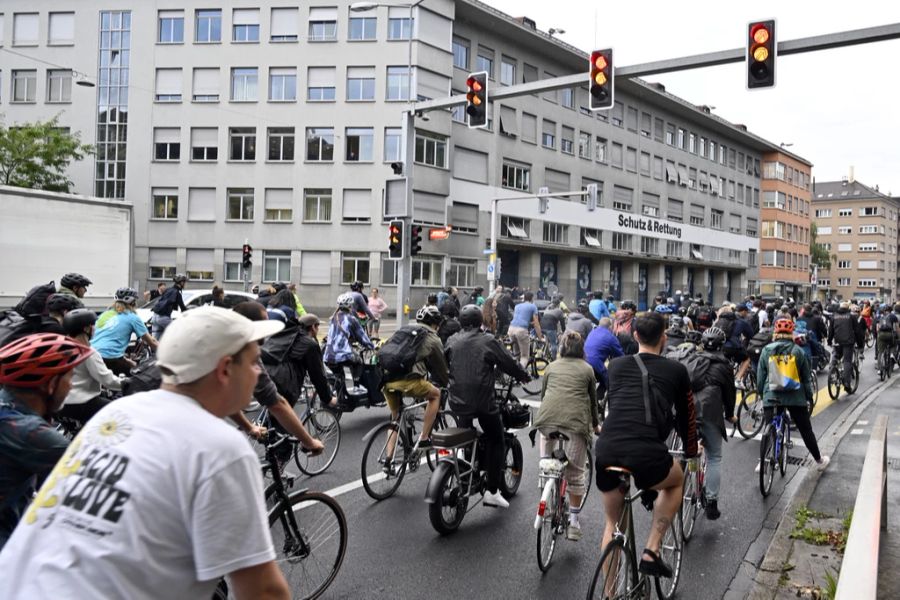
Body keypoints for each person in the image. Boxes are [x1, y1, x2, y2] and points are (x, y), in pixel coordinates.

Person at [0, 307, 292, 599]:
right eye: (254, 363)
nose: (258, 373)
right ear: (225, 369)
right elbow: (263, 591)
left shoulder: (116, 413)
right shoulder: (221, 447)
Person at [594, 312, 698, 579]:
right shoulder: (676, 370)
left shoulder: (615, 365)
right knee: (676, 481)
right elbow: (687, 416)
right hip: (647, 453)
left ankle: (609, 594)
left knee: (612, 523)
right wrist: (690, 453)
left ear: (635, 335)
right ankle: (652, 550)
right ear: (664, 337)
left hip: (608, 449)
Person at [0, 333, 93, 549]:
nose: (70, 386)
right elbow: (94, 480)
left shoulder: (7, 407)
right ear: (50, 384)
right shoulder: (32, 433)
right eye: (70, 377)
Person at [445, 306, 528, 509]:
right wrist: (523, 375)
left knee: (465, 433)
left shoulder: (451, 340)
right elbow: (507, 363)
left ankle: (466, 469)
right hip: (482, 401)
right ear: (479, 320)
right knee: (496, 438)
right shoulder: (488, 340)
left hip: (456, 400)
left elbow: (445, 363)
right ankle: (492, 490)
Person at [228, 302, 326, 455]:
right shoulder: (242, 351)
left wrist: (249, 427)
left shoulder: (240, 344)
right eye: (265, 324)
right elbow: (277, 404)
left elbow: (229, 401)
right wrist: (309, 441)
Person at [532, 331, 599, 540]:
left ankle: (547, 495)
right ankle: (574, 523)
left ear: (561, 348)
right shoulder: (587, 369)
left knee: (546, 464)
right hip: (575, 425)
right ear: (582, 349)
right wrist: (595, 426)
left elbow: (544, 396)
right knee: (575, 473)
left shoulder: (551, 366)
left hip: (546, 421)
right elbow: (592, 403)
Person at [757, 318, 829, 472]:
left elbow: (761, 377)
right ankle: (819, 460)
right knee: (805, 430)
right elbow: (806, 378)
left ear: (775, 332)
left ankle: (763, 461)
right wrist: (809, 396)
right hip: (795, 397)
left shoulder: (766, 350)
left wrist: (762, 395)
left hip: (772, 395)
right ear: (791, 332)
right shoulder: (798, 351)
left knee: (768, 428)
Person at [381, 305, 449, 451]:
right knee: (435, 394)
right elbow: (441, 367)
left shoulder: (405, 330)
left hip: (386, 381)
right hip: (408, 382)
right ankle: (424, 438)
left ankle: (388, 461)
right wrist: (448, 382)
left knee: (395, 419)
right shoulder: (433, 338)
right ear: (435, 324)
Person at [686, 327, 737, 520]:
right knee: (714, 457)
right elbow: (730, 394)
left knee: (689, 450)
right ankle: (712, 503)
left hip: (688, 410)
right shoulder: (724, 366)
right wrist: (731, 415)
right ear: (721, 345)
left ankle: (689, 474)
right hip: (710, 412)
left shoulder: (692, 359)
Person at [60, 309, 124, 425]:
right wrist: (127, 383)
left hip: (61, 402)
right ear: (86, 329)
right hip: (83, 403)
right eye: (93, 326)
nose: (95, 329)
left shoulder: (62, 348)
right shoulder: (88, 352)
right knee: (119, 414)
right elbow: (107, 380)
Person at [92, 287, 159, 375]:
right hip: (110, 358)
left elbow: (105, 343)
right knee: (137, 380)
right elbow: (152, 342)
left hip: (91, 355)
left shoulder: (104, 315)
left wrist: (127, 361)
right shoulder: (132, 317)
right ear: (133, 302)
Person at [323, 294, 374, 405]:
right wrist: (371, 346)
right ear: (350, 305)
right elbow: (363, 338)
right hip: (341, 354)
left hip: (328, 355)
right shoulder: (351, 319)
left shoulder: (333, 317)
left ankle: (342, 398)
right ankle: (356, 386)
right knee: (358, 362)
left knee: (340, 376)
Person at [584, 317, 624, 400]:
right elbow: (621, 356)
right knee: (609, 380)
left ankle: (595, 399)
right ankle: (600, 400)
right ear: (610, 327)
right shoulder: (610, 337)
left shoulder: (592, 332)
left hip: (583, 361)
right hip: (595, 363)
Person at [827, 301, 858, 390]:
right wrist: (860, 343)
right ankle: (847, 383)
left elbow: (831, 330)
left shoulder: (834, 316)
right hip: (848, 343)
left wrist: (829, 341)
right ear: (848, 308)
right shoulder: (852, 316)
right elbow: (857, 331)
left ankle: (832, 372)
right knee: (847, 361)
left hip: (837, 342)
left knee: (836, 357)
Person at [508, 291, 543, 368]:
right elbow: (537, 324)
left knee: (516, 354)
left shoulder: (517, 306)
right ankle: (520, 376)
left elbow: (518, 319)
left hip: (511, 329)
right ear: (532, 298)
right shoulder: (533, 306)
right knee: (524, 357)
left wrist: (529, 323)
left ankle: (513, 375)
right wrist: (540, 338)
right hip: (521, 331)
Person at [151, 273, 188, 340]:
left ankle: (150, 350)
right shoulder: (177, 293)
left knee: (156, 341)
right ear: (181, 282)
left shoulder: (168, 290)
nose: (185, 284)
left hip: (155, 316)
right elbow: (183, 308)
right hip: (163, 318)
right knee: (179, 331)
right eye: (184, 282)